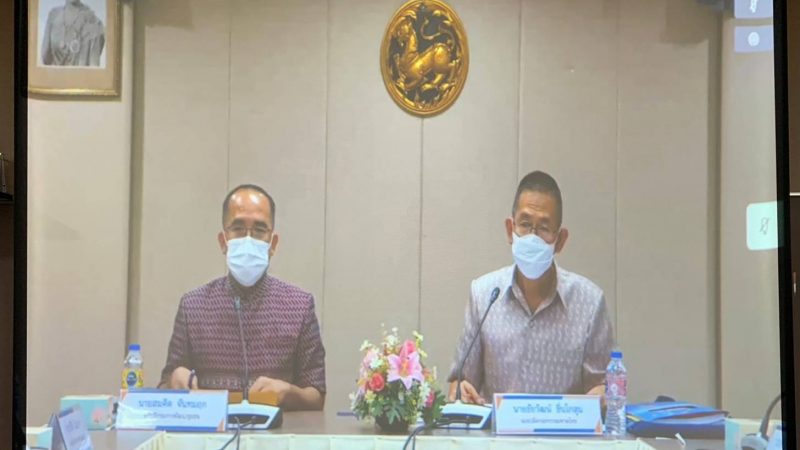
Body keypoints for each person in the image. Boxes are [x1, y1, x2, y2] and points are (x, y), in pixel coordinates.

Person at [448, 171, 614, 404]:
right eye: (525, 225)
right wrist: (460, 390)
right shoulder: (484, 295)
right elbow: (460, 382)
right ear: (510, 229)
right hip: (497, 428)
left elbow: (604, 385)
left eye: (544, 228)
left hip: (563, 428)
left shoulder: (589, 302)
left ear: (560, 240)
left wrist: (603, 393)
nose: (533, 237)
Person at [159, 184, 326, 411]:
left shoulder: (299, 305)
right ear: (223, 241)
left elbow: (317, 396)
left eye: (259, 229)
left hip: (278, 430)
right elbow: (166, 383)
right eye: (238, 228)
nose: (248, 239)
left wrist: (289, 393)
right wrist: (175, 379)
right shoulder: (193, 306)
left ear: (273, 244)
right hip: (212, 430)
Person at [41, 0, 105, 67]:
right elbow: (45, 58)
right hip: (59, 73)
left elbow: (94, 67)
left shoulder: (94, 22)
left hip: (78, 73)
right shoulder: (53, 15)